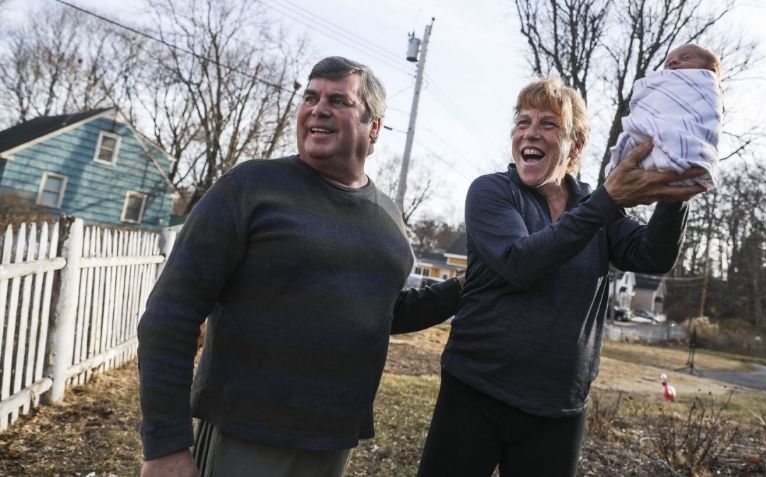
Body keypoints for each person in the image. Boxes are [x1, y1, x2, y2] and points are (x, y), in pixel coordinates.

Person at [137, 56, 463, 477]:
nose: (318, 108)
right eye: (310, 97)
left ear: (374, 126)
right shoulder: (249, 188)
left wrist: (467, 286)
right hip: (247, 436)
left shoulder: (389, 218)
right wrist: (165, 446)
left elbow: (380, 311)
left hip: (332, 442)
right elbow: (170, 314)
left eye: (338, 100)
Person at [416, 77, 707, 477]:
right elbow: (520, 262)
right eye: (522, 122)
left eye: (548, 124)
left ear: (576, 146)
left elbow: (653, 256)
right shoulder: (492, 193)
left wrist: (676, 189)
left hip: (558, 409)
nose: (530, 132)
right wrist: (605, 201)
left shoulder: (597, 210)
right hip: (475, 392)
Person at [606, 43, 723, 188]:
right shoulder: (662, 86)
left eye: (685, 58)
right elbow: (651, 105)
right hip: (649, 146)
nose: (672, 62)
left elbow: (704, 121)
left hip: (685, 150)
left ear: (710, 72)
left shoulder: (706, 90)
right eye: (668, 63)